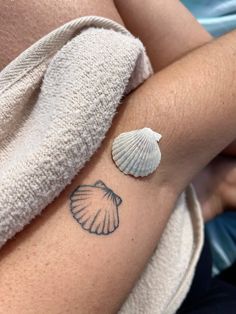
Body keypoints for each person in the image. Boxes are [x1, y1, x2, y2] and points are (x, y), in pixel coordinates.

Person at [0, 0, 236, 313]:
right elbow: (168, 146)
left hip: (171, 236)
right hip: (160, 275)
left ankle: (207, 187)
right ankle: (209, 185)